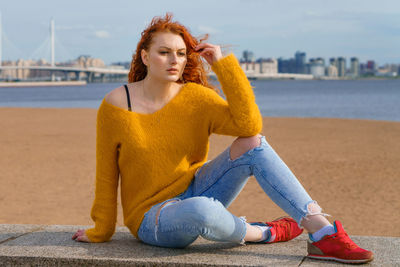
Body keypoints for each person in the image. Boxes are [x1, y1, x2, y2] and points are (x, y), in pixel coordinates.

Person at [72, 13, 373, 264]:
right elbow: (107, 174)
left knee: (253, 143)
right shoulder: (116, 104)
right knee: (202, 210)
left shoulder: (195, 98)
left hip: (199, 187)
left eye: (180, 53)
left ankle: (322, 232)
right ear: (144, 56)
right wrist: (102, 229)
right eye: (164, 52)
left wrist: (222, 65)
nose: (173, 60)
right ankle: (263, 232)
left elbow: (248, 124)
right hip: (153, 218)